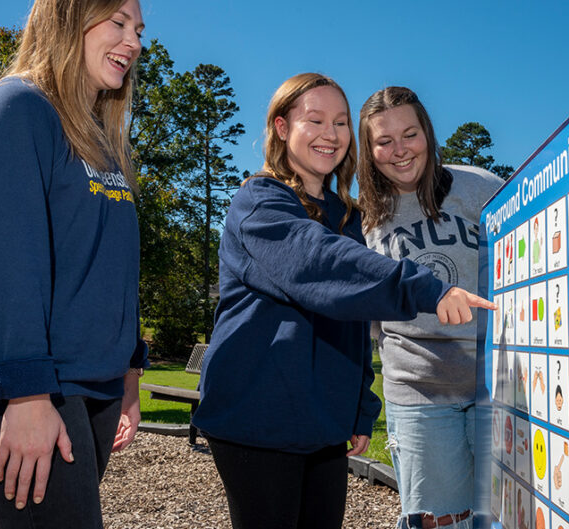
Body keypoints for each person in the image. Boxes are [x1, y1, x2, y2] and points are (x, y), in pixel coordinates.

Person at [193, 73, 493, 529]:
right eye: (314, 120)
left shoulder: (346, 216)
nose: (330, 134)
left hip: (322, 425)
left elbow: (354, 323)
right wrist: (428, 287)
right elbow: (317, 262)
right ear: (280, 128)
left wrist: (359, 407)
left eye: (339, 122)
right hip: (258, 417)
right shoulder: (260, 200)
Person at [0, 0, 147, 528]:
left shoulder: (98, 141)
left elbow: (110, 270)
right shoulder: (18, 109)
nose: (134, 42)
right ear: (68, 18)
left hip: (89, 388)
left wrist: (128, 374)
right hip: (26, 390)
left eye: (140, 31)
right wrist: (27, 396)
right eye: (119, 22)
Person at [357, 86, 504, 529]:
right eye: (384, 141)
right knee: (441, 523)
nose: (399, 151)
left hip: (494, 388)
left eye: (410, 134)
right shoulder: (364, 217)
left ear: (428, 133)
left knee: (505, 517)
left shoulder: (480, 188)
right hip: (418, 393)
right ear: (369, 149)